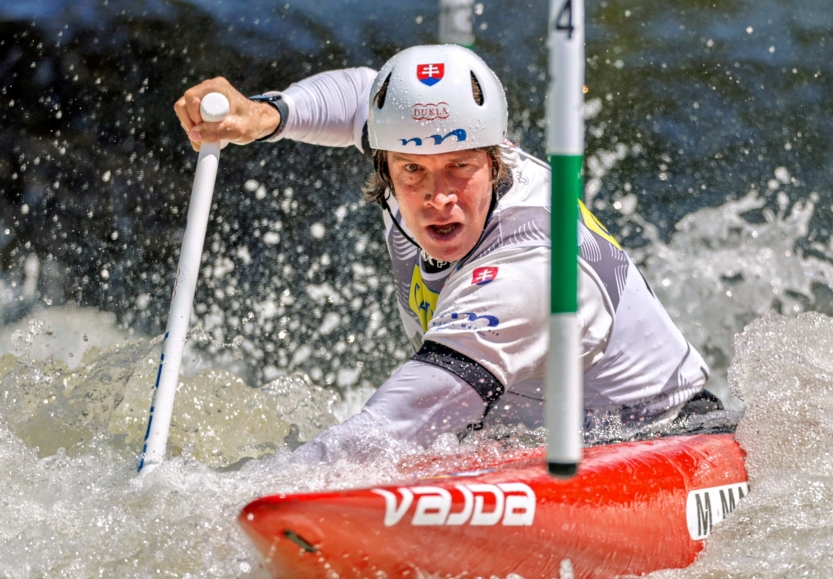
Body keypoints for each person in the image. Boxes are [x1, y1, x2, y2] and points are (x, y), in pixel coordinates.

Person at [175, 44, 723, 463]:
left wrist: (232, 500)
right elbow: (359, 95)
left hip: (659, 442)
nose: (439, 198)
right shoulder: (415, 141)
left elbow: (392, 428)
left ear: (495, 158)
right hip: (523, 432)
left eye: (461, 166)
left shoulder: (530, 267)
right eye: (412, 170)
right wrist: (264, 116)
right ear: (384, 164)